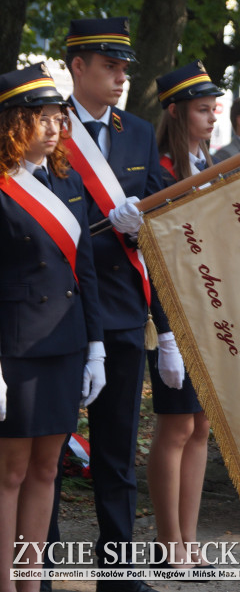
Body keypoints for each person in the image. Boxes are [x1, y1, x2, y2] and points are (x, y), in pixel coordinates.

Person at [58, 17, 176, 592]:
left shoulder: (138, 131)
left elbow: (158, 208)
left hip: (124, 306)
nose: (121, 77)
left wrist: (139, 225)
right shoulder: (43, 126)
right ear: (78, 67)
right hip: (63, 307)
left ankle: (119, 572)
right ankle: (44, 568)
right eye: (110, 66)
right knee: (48, 452)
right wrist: (107, 225)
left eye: (125, 67)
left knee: (117, 446)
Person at [0, 63, 106, 592]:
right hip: (14, 351)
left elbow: (83, 270)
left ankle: (30, 580)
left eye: (56, 118)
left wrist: (96, 348)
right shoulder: (1, 187)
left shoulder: (66, 181)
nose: (52, 127)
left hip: (65, 346)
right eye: (39, 118)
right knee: (10, 474)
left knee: (47, 470)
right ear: (14, 124)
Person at [147, 61, 224, 567]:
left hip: (209, 309)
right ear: (176, 113)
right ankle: (167, 540)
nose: (212, 117)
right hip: (172, 312)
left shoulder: (206, 162)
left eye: (214, 108)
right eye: (202, 109)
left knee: (201, 427)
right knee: (174, 428)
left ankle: (189, 538)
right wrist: (168, 331)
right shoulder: (161, 169)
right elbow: (154, 255)